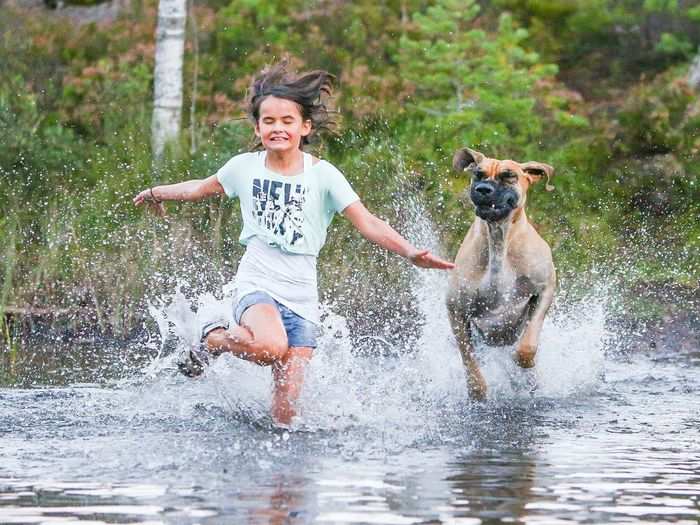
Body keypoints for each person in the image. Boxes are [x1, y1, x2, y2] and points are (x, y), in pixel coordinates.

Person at [134, 62, 454, 427]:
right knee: (269, 346)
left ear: (305, 127)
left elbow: (368, 222)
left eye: (287, 121)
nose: (278, 128)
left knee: (285, 416)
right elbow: (198, 188)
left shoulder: (324, 175)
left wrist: (411, 252)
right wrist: (157, 192)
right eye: (268, 121)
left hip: (303, 296)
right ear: (257, 128)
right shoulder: (244, 167)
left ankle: (281, 483)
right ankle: (212, 341)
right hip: (258, 283)